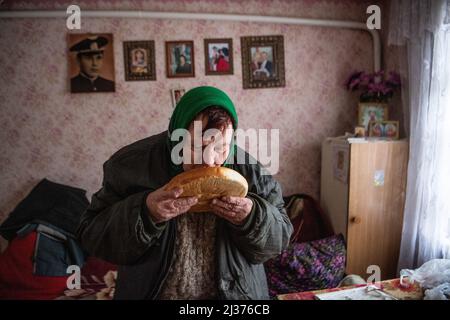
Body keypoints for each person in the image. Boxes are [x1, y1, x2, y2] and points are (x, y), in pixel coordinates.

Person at [77, 86, 293, 300]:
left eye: (220, 148)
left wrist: (252, 216)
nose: (209, 161)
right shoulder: (129, 165)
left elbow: (281, 239)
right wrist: (146, 212)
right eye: (197, 147)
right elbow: (91, 234)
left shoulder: (252, 172)